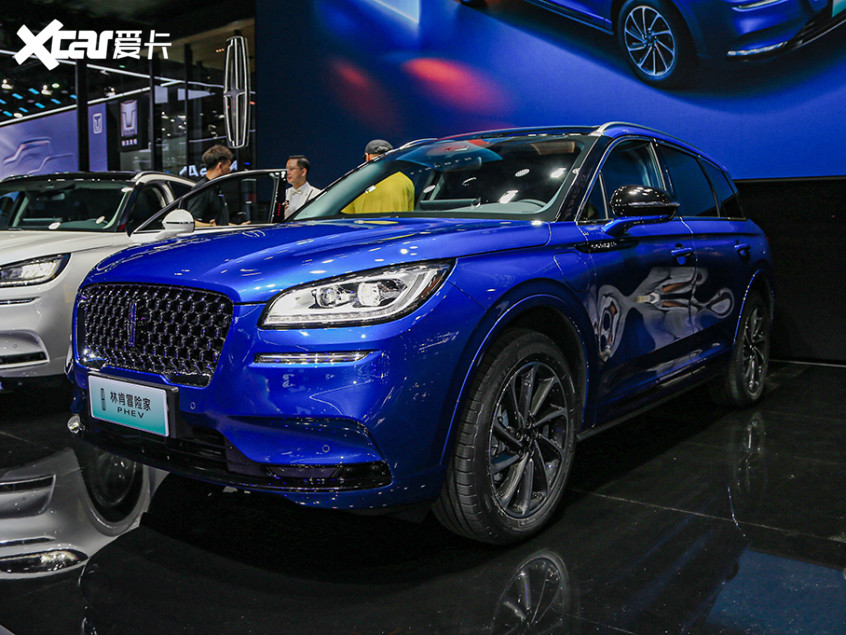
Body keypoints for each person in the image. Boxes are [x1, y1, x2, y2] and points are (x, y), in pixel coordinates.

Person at [341, 139, 414, 214]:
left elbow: (345, 215)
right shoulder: (407, 182)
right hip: (394, 222)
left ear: (367, 157)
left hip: (365, 222)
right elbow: (409, 215)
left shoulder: (354, 183)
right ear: (392, 157)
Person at [185, 145, 233, 227]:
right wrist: (210, 227)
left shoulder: (216, 188)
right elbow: (192, 223)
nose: (230, 170)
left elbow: (221, 223)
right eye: (228, 165)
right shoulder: (202, 189)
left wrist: (238, 227)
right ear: (220, 166)